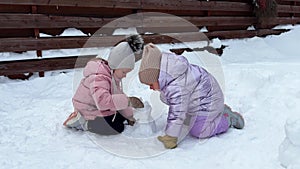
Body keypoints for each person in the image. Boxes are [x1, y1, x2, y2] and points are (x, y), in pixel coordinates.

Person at [138, 43, 245, 149]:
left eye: (151, 84)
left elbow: (177, 111)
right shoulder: (172, 75)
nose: (150, 88)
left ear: (159, 77)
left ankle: (227, 119)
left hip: (208, 103)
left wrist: (171, 137)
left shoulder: (177, 85)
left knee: (199, 130)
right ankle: (217, 111)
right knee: (185, 119)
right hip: (201, 101)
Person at [63, 35, 144, 135]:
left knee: (120, 118)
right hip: (87, 110)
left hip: (98, 109)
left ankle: (101, 121)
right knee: (116, 127)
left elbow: (118, 96)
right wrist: (128, 101)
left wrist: (129, 116)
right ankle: (83, 123)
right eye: (124, 72)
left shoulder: (113, 77)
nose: (125, 76)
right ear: (116, 66)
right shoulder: (98, 77)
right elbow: (102, 102)